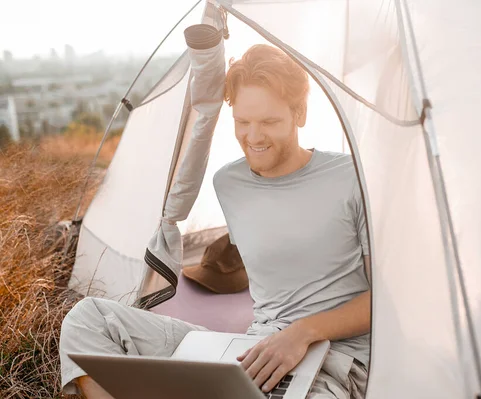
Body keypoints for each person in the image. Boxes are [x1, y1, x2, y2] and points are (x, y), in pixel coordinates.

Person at [59, 44, 371, 399]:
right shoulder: (229, 183)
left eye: (269, 122)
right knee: (87, 320)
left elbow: (388, 302)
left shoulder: (351, 178)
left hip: (334, 359)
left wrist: (302, 332)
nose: (253, 138)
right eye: (242, 122)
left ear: (299, 113)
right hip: (253, 349)